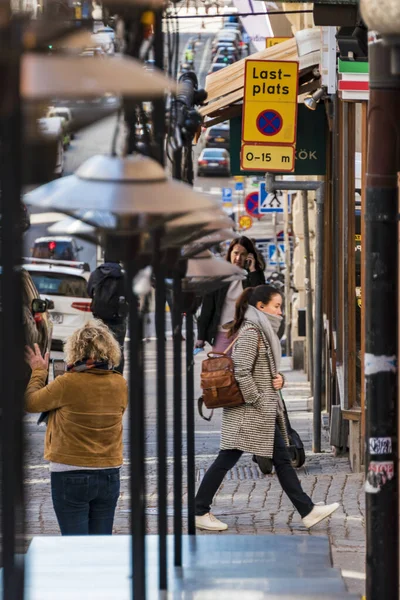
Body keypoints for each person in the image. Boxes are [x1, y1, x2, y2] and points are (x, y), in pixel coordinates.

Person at [195, 285, 339, 531]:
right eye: (277, 306)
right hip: (250, 411)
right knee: (228, 458)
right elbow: (241, 370)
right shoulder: (252, 332)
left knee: (281, 459)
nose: (281, 311)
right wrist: (259, 399)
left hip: (258, 411)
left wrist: (279, 379)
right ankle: (199, 510)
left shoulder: (261, 331)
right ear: (260, 307)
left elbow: (262, 369)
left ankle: (307, 511)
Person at [24, 320, 128, 536]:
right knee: (100, 545)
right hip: (109, 472)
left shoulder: (67, 383)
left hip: (69, 472)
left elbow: (31, 402)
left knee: (74, 546)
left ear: (74, 350)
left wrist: (38, 372)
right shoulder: (119, 383)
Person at [196, 236, 265, 354]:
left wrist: (253, 270)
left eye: (243, 254)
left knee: (243, 370)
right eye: (236, 253)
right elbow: (207, 307)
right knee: (222, 369)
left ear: (249, 256)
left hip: (247, 332)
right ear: (230, 253)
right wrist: (201, 336)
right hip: (222, 332)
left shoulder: (255, 276)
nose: (238, 258)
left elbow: (259, 298)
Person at [87, 256, 127, 374]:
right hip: (118, 319)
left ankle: (100, 374)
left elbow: (89, 291)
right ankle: (117, 376)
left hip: (100, 318)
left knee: (99, 347)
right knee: (118, 349)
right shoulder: (123, 275)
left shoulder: (96, 274)